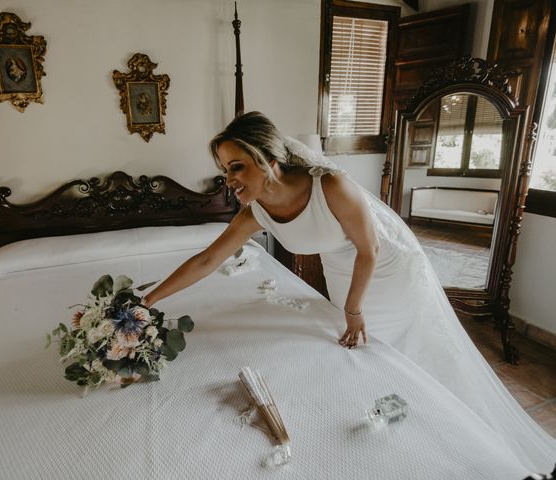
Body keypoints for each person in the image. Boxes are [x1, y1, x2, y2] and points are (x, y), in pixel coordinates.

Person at [143, 111, 555, 472]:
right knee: (366, 354)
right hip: (343, 269)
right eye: (224, 169)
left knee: (404, 345)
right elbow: (206, 261)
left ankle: (454, 428)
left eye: (236, 167)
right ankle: (402, 419)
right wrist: (147, 301)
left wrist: (354, 309)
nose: (228, 180)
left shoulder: (331, 187)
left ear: (268, 161)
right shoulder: (257, 213)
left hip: (387, 268)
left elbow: (369, 249)